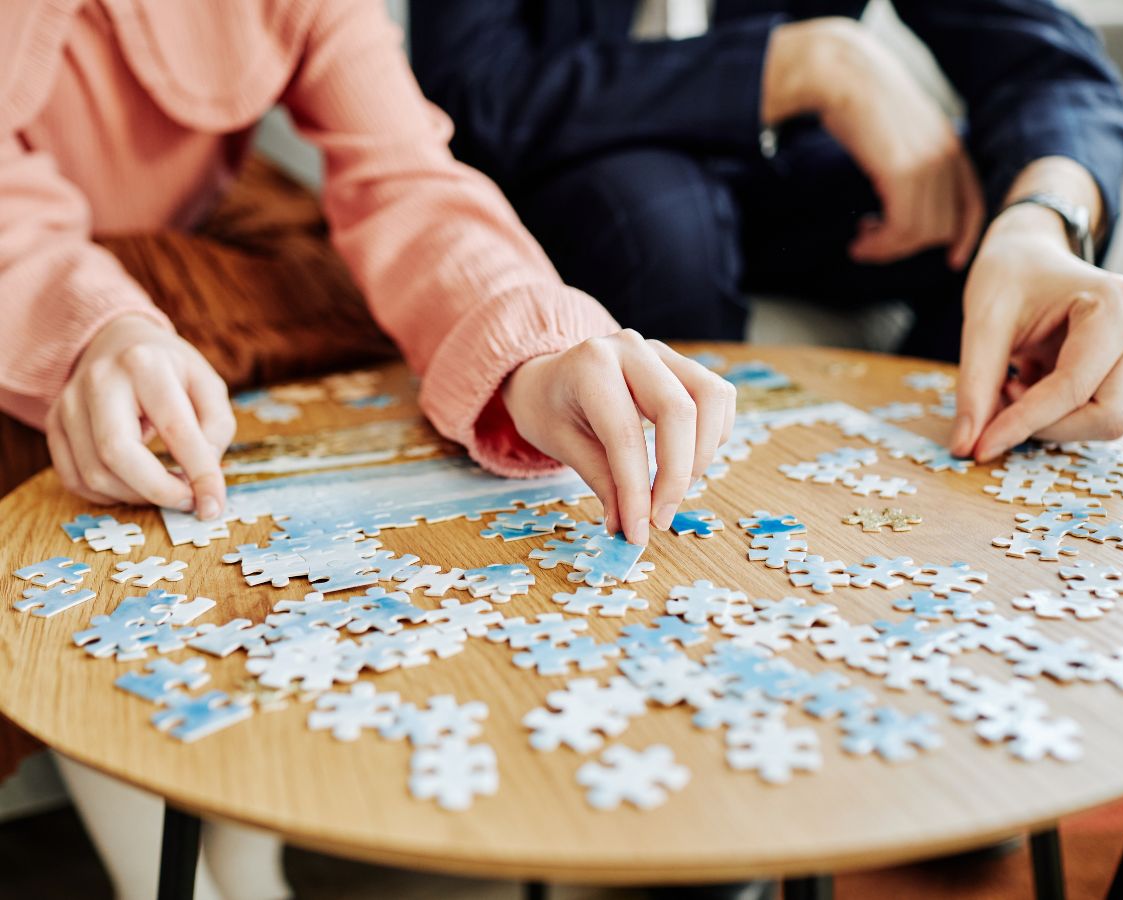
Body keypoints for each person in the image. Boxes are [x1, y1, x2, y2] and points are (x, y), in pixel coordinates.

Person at [0, 1, 738, 897]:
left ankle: (242, 835)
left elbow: (405, 178)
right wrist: (94, 332)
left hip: (213, 231)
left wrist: (533, 352)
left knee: (346, 383)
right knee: (91, 447)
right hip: (37, 271)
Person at [410, 0, 1123, 462]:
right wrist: (794, 63)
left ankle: (937, 471)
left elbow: (1054, 68)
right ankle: (674, 499)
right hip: (576, 171)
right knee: (658, 223)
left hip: (778, 168)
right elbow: (472, 91)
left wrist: (1040, 220)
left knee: (981, 205)